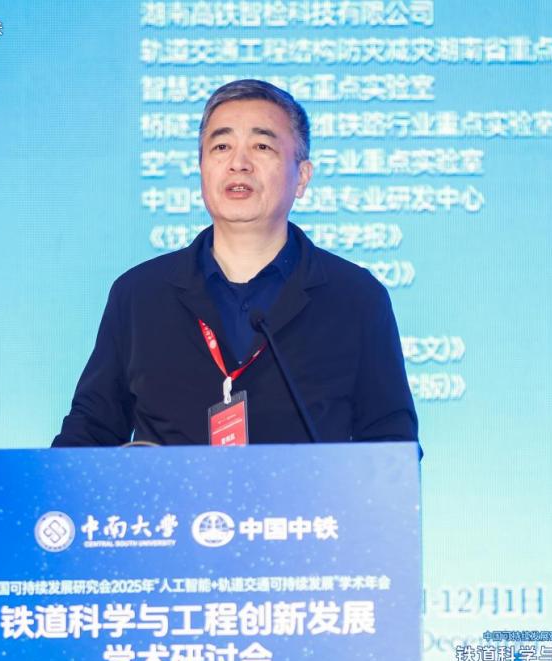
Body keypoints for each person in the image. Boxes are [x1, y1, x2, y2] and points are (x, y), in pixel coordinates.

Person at [52, 79, 419, 452]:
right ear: (201, 168)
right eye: (221, 147)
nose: (238, 164)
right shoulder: (140, 294)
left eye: (262, 146)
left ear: (302, 177)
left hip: (302, 494)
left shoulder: (355, 297)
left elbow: (391, 445)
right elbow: (90, 430)